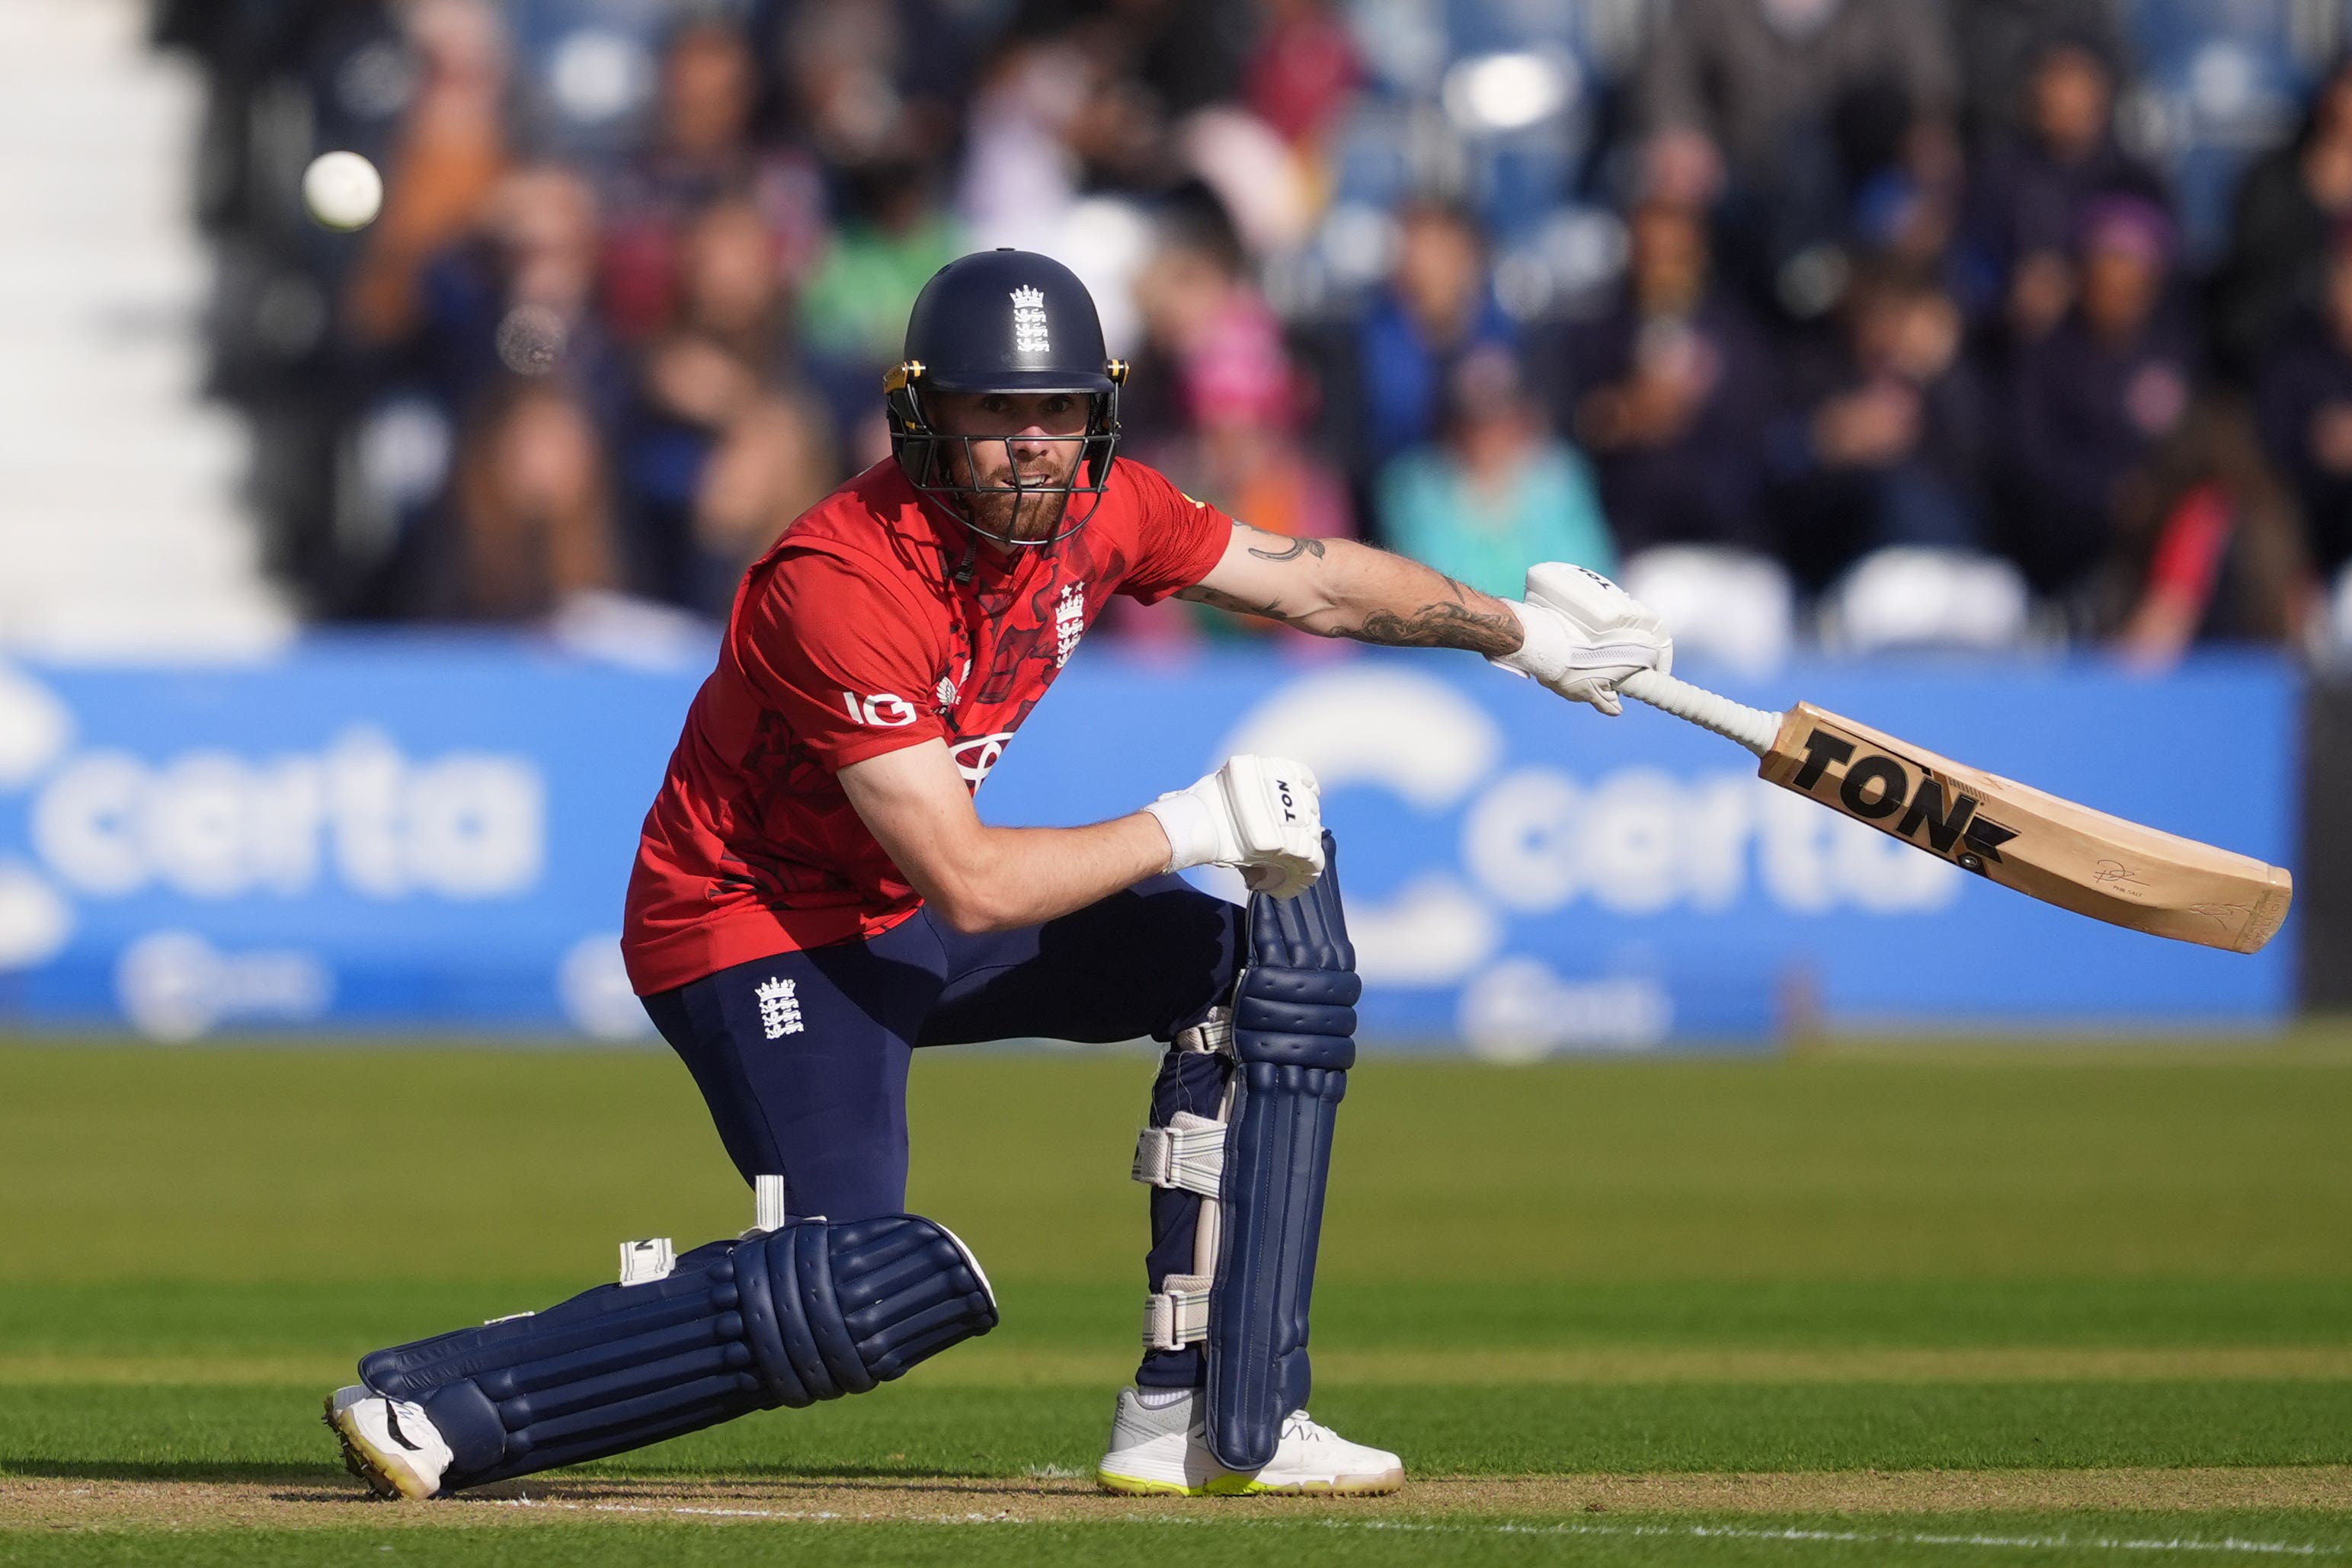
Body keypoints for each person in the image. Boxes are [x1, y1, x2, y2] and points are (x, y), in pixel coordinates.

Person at [322, 250, 1672, 1499]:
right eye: (995, 410)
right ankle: (463, 1398)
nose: (1034, 442)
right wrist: (1190, 822)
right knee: (859, 1290)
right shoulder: (833, 580)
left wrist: (1518, 634)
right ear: (922, 417)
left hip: (891, 908)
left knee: (1252, 971)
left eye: (1061, 409)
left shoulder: (1108, 508)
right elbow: (967, 879)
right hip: (752, 932)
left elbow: (1305, 580)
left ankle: (1205, 1405)